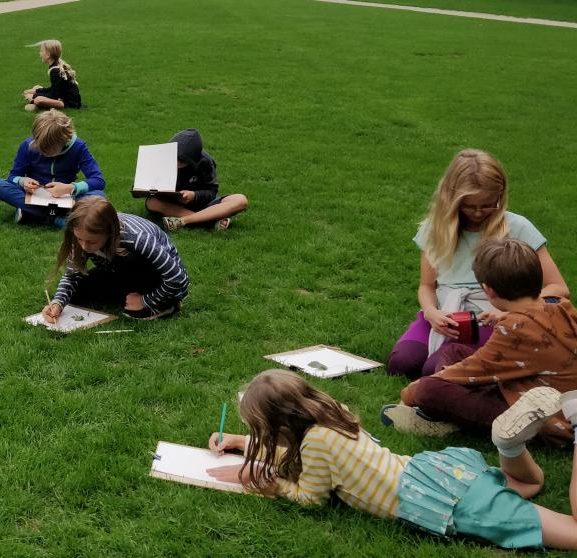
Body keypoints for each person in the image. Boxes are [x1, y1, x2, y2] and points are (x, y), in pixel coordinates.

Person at [209, 369, 577, 550]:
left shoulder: (315, 446)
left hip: (443, 502)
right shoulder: (330, 416)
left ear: (280, 426)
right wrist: (246, 442)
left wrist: (271, 483)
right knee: (528, 484)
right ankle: (508, 447)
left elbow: (311, 498)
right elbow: (308, 457)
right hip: (433, 473)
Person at [386, 149, 568, 378]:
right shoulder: (435, 229)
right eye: (470, 206)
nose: (479, 212)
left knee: (434, 370)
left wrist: (515, 311)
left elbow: (558, 288)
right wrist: (431, 312)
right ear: (451, 200)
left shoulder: (518, 227)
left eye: (488, 204)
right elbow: (427, 286)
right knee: (402, 363)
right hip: (446, 313)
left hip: (492, 315)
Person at [382, 239, 577, 445]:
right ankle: (445, 415)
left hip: (546, 420)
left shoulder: (514, 328)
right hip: (544, 393)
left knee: (429, 390)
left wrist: (411, 392)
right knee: (456, 350)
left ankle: (444, 418)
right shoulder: (560, 305)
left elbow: (472, 371)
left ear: (488, 290)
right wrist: (509, 315)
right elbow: (537, 324)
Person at [40, 197, 188, 321]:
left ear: (110, 233)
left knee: (136, 312)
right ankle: (127, 295)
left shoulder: (137, 238)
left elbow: (176, 277)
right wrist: (58, 303)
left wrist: (145, 301)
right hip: (118, 271)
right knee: (75, 295)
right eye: (79, 239)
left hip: (156, 277)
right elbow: (73, 275)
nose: (84, 247)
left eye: (92, 242)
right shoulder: (82, 237)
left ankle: (169, 304)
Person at [0, 110, 105, 228]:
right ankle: (57, 219)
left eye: (48, 150)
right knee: (0, 186)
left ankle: (31, 214)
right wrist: (23, 181)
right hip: (35, 195)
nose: (43, 153)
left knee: (99, 196)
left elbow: (98, 180)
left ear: (64, 139)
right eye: (40, 148)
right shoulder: (28, 145)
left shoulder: (78, 147)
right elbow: (13, 176)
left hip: (65, 197)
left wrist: (70, 187)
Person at [143, 128, 248, 231]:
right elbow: (138, 188)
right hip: (173, 205)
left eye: (182, 161)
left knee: (240, 200)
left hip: (203, 204)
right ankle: (210, 222)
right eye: (174, 158)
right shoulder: (159, 157)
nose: (177, 163)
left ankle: (183, 221)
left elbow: (211, 192)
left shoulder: (205, 162)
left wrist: (194, 195)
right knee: (152, 202)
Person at [22, 40, 81, 111]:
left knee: (38, 100)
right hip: (64, 96)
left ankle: (35, 103)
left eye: (41, 51)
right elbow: (54, 89)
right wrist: (36, 91)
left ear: (48, 55)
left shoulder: (55, 71)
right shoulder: (57, 65)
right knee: (36, 87)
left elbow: (53, 95)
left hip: (69, 103)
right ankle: (35, 103)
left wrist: (34, 96)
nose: (40, 53)